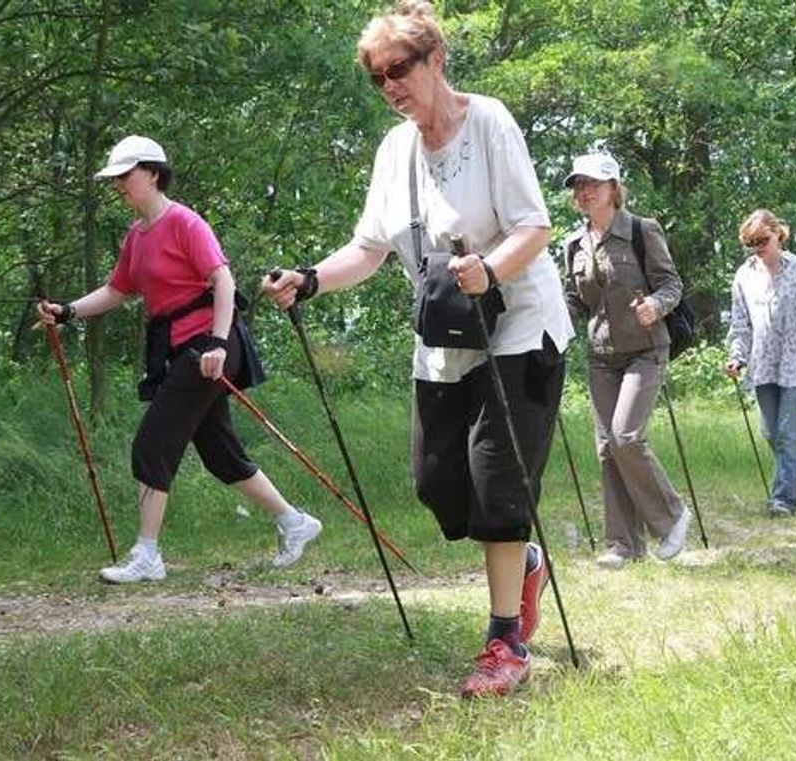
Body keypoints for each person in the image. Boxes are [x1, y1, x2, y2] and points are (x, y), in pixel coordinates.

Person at [262, 1, 572, 698]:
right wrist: (310, 279)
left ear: (436, 59)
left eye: (399, 68)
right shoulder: (396, 149)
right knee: (438, 485)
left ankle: (504, 641)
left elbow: (534, 226)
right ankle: (522, 562)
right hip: (444, 338)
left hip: (518, 332)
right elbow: (370, 248)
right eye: (378, 77)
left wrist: (491, 268)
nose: (390, 86)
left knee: (498, 486)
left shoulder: (488, 121)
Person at [37, 135, 322, 584]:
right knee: (220, 453)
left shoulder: (185, 222)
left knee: (152, 444)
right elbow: (117, 290)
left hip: (207, 347)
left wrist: (217, 344)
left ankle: (147, 555)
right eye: (114, 179)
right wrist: (68, 311)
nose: (118, 186)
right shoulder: (138, 235)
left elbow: (223, 281)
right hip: (179, 349)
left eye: (124, 176)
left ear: (151, 172)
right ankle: (294, 522)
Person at [561, 153, 691, 570]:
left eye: (593, 183)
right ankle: (624, 545)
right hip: (601, 355)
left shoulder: (641, 230)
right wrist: (549, 332)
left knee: (626, 436)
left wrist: (656, 303)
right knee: (606, 448)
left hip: (645, 350)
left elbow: (672, 284)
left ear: (614, 187)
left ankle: (672, 517)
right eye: (578, 185)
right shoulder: (573, 244)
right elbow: (574, 300)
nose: (584, 191)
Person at [724, 209, 796, 517]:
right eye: (751, 243)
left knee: (787, 432)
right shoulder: (744, 275)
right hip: (762, 365)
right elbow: (741, 324)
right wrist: (736, 356)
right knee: (770, 432)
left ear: (778, 234)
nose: (758, 248)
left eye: (763, 240)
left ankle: (783, 500)